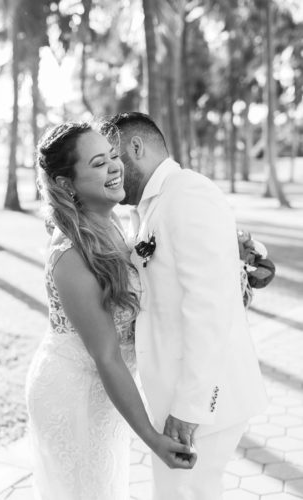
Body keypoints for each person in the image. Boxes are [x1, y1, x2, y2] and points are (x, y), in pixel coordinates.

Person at [101, 112, 268, 500]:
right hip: (182, 396)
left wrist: (191, 407)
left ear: (135, 148)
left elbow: (210, 308)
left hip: (207, 402)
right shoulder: (147, 208)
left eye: (112, 157)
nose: (109, 170)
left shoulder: (188, 193)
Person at [25, 122, 193, 500]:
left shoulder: (109, 220)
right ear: (67, 184)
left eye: (113, 155)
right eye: (99, 163)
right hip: (74, 392)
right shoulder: (71, 254)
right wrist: (152, 438)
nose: (115, 166)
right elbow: (106, 356)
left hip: (104, 392)